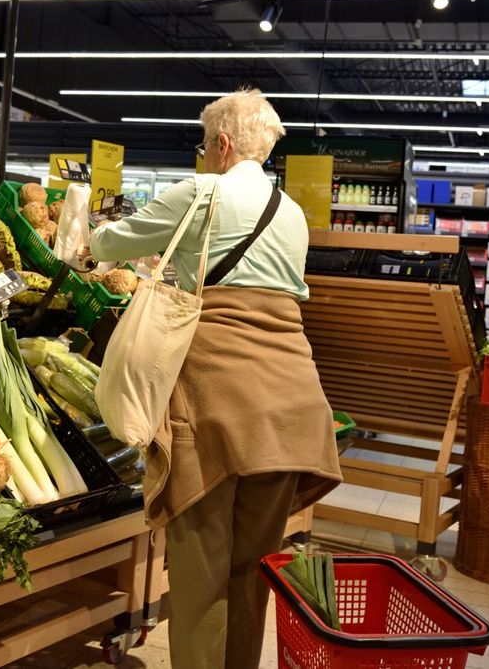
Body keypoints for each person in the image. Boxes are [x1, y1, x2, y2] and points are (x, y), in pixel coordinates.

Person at [89, 88, 343, 667]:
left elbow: (108, 243)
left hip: (217, 402)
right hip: (292, 407)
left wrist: (91, 229)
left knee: (201, 571)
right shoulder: (292, 212)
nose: (202, 155)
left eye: (204, 145)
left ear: (223, 144)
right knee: (252, 568)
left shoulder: (201, 192)